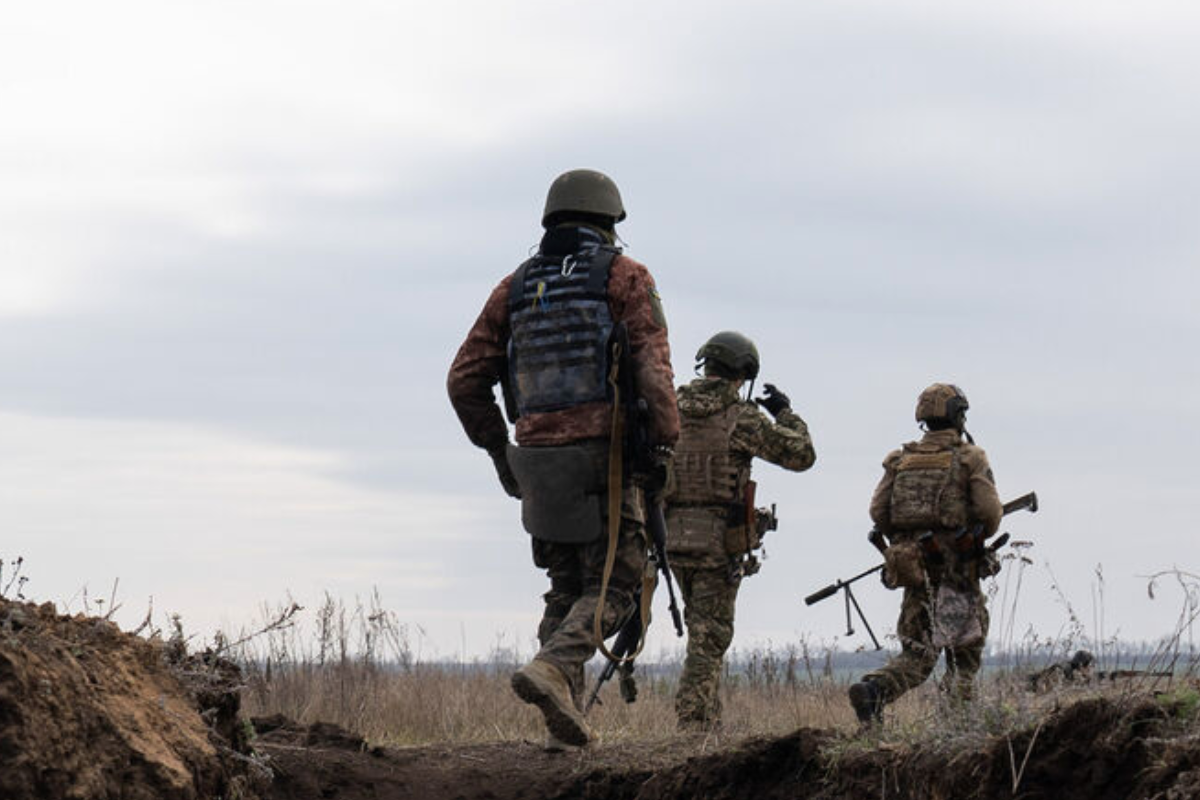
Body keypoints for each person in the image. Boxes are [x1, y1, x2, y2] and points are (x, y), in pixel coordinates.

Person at [447, 169, 679, 748]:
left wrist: (503, 454)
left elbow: (464, 380)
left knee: (566, 584)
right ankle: (552, 670)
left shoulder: (514, 288)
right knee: (618, 584)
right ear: (609, 223)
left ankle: (563, 723)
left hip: (539, 465)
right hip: (605, 463)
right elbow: (654, 373)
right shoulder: (625, 277)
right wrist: (666, 441)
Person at [664, 331, 815, 730]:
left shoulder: (669, 410)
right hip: (716, 542)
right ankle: (693, 722)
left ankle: (706, 723)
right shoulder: (741, 417)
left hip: (671, 538)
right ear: (742, 373)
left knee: (701, 629)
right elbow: (802, 455)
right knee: (710, 635)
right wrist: (785, 412)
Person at [848, 383, 1002, 724]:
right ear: (959, 416)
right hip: (958, 574)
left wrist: (908, 542)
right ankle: (957, 724)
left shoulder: (899, 460)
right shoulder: (969, 458)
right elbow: (990, 516)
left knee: (917, 655)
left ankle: (874, 690)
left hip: (914, 572)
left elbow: (879, 514)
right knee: (964, 654)